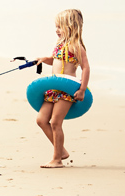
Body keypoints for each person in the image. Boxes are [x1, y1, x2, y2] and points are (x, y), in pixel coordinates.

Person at [34, 9, 90, 168]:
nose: (56, 30)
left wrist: (82, 89)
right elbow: (55, 60)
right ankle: (62, 151)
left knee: (55, 123)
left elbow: (86, 68)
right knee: (41, 120)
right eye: (56, 26)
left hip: (66, 91)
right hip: (53, 89)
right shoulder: (59, 44)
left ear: (71, 27)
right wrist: (44, 59)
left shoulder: (76, 46)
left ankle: (57, 159)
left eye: (60, 27)